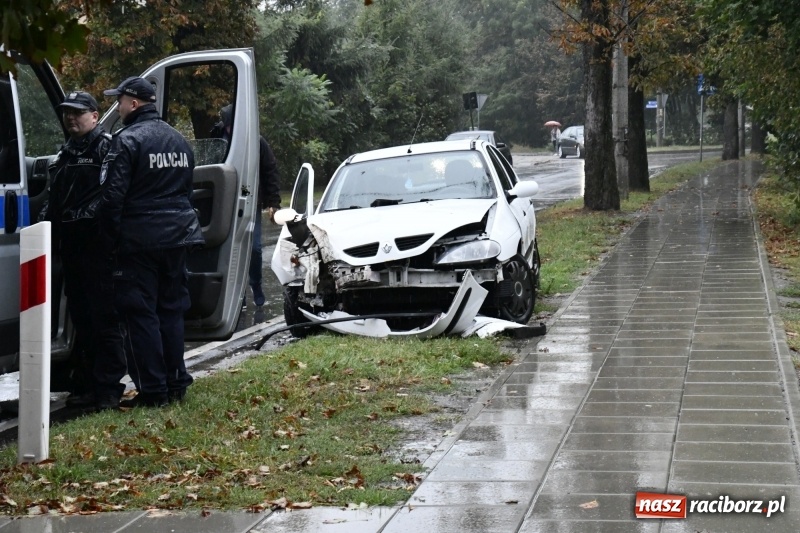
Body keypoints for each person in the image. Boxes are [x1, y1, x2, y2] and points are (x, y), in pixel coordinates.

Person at [98, 77, 204, 407]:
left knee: (139, 314)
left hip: (139, 242)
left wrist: (108, 243)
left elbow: (112, 199)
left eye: (120, 101)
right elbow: (186, 191)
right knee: (171, 311)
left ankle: (153, 390)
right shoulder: (179, 141)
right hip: (177, 239)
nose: (117, 107)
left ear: (133, 103)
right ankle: (176, 383)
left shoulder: (126, 140)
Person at [41, 91, 126, 411]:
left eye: (77, 112)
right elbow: (55, 198)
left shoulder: (108, 148)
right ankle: (89, 385)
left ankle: (108, 389)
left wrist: (84, 220)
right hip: (71, 248)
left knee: (104, 319)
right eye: (67, 112)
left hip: (98, 247)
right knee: (81, 320)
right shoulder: (65, 153)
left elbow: (114, 197)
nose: (71, 117)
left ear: (94, 115)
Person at [215, 104, 280, 306]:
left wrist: (273, 202)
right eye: (228, 127)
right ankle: (238, 293)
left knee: (254, 248)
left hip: (249, 198)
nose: (231, 130)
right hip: (225, 201)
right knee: (230, 250)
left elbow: (270, 171)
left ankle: (256, 284)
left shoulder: (257, 142)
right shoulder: (217, 139)